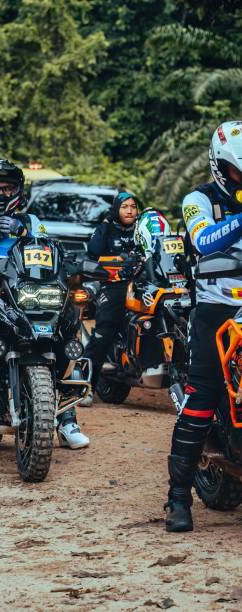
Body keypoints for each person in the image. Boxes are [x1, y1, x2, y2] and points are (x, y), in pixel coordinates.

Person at [0, 158, 89, 449]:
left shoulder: (32, 221)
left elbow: (51, 252)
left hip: (28, 294)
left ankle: (67, 421)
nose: (1, 194)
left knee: (66, 332)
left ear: (18, 191)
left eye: (8, 188)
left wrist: (23, 233)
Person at [165, 121, 242, 532]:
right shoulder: (199, 200)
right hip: (217, 313)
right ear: (220, 167)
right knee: (202, 396)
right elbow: (204, 242)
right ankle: (178, 499)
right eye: (238, 172)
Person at [81, 191, 141, 406]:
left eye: (133, 206)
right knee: (105, 330)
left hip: (142, 283)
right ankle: (86, 386)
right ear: (117, 209)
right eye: (125, 206)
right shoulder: (106, 227)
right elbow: (93, 254)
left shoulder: (142, 228)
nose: (129, 210)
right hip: (114, 283)